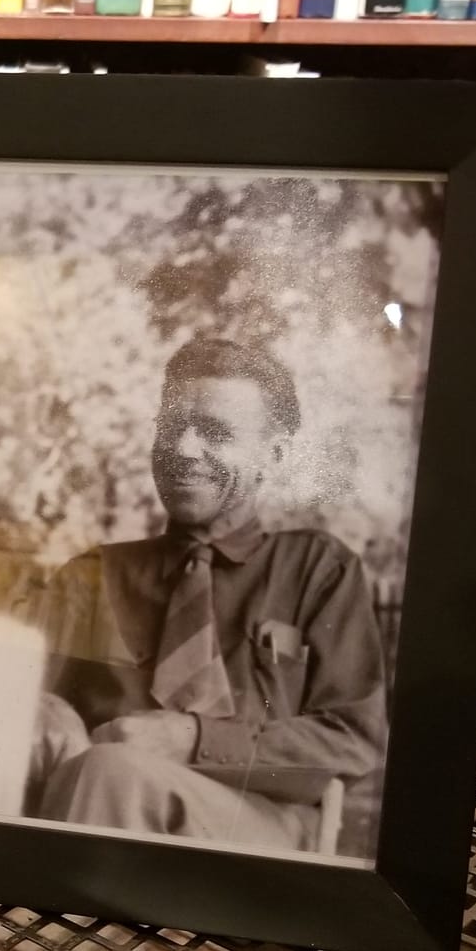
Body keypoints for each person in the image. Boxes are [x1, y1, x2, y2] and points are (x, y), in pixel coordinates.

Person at [28, 337, 387, 854]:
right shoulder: (94, 574)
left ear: (275, 454)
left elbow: (353, 739)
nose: (183, 450)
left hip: (257, 825)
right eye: (171, 428)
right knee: (101, 769)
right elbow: (18, 707)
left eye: (216, 433)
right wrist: (42, 712)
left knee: (112, 770)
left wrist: (193, 739)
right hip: (101, 804)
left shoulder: (317, 571)